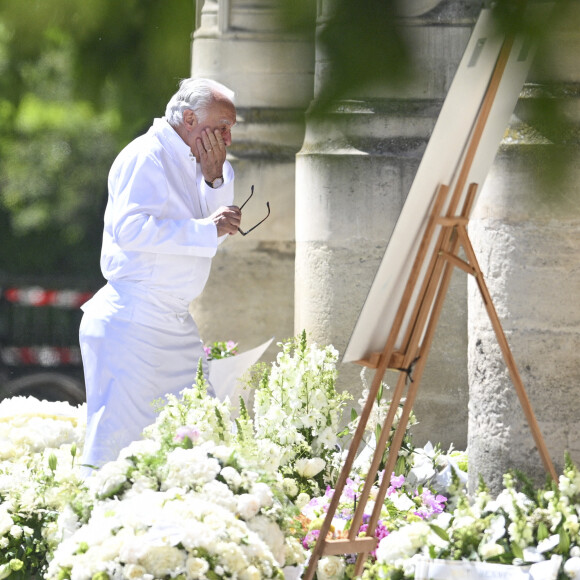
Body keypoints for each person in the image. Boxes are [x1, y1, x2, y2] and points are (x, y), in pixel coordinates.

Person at [79, 77, 241, 472]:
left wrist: (214, 178)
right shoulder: (145, 155)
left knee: (195, 439)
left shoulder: (199, 159)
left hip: (172, 323)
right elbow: (130, 231)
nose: (227, 138)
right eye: (222, 127)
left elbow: (215, 234)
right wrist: (206, 227)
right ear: (189, 118)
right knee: (118, 455)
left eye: (231, 130)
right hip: (134, 324)